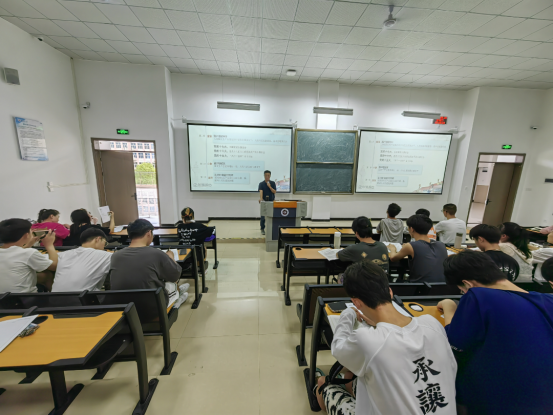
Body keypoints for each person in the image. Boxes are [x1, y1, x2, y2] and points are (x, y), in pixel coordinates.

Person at [315, 261, 457, 415]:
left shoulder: (367, 340)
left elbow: (338, 349)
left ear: (356, 302)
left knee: (323, 384)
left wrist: (348, 314)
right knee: (352, 377)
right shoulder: (432, 324)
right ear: (390, 292)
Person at [437, 250, 553, 415]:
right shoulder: (548, 300)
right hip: (544, 398)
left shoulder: (479, 296)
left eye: (462, 290)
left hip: (500, 400)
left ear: (467, 284)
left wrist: (449, 307)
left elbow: (454, 344)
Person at [110, 219, 182, 304]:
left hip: (122, 305)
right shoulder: (157, 254)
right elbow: (175, 275)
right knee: (172, 284)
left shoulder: (115, 256)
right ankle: (179, 297)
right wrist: (170, 257)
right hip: (151, 306)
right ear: (149, 233)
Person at [0, 218, 58, 292]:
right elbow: (54, 266)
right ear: (26, 235)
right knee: (48, 274)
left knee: (43, 275)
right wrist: (49, 245)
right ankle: (54, 297)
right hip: (22, 298)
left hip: (3, 297)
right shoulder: (29, 253)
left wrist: (28, 244)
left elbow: (13, 253)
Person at [388, 214, 448, 282]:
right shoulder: (441, 245)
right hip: (442, 286)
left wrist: (392, 249)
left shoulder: (410, 246)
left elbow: (393, 258)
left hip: (420, 286)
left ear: (411, 229)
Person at [52, 228, 112, 292]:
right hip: (82, 297)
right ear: (98, 239)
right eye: (105, 243)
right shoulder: (105, 256)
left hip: (54, 296)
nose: (104, 247)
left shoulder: (62, 254)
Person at [258, 170, 276, 236]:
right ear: (264, 176)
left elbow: (274, 192)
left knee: (272, 215)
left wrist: (270, 187)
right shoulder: (261, 184)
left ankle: (272, 228)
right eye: (266, 175)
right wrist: (261, 199)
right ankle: (262, 229)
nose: (267, 177)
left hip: (271, 201)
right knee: (263, 216)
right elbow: (261, 191)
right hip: (264, 202)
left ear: (270, 176)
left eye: (268, 175)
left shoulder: (273, 183)